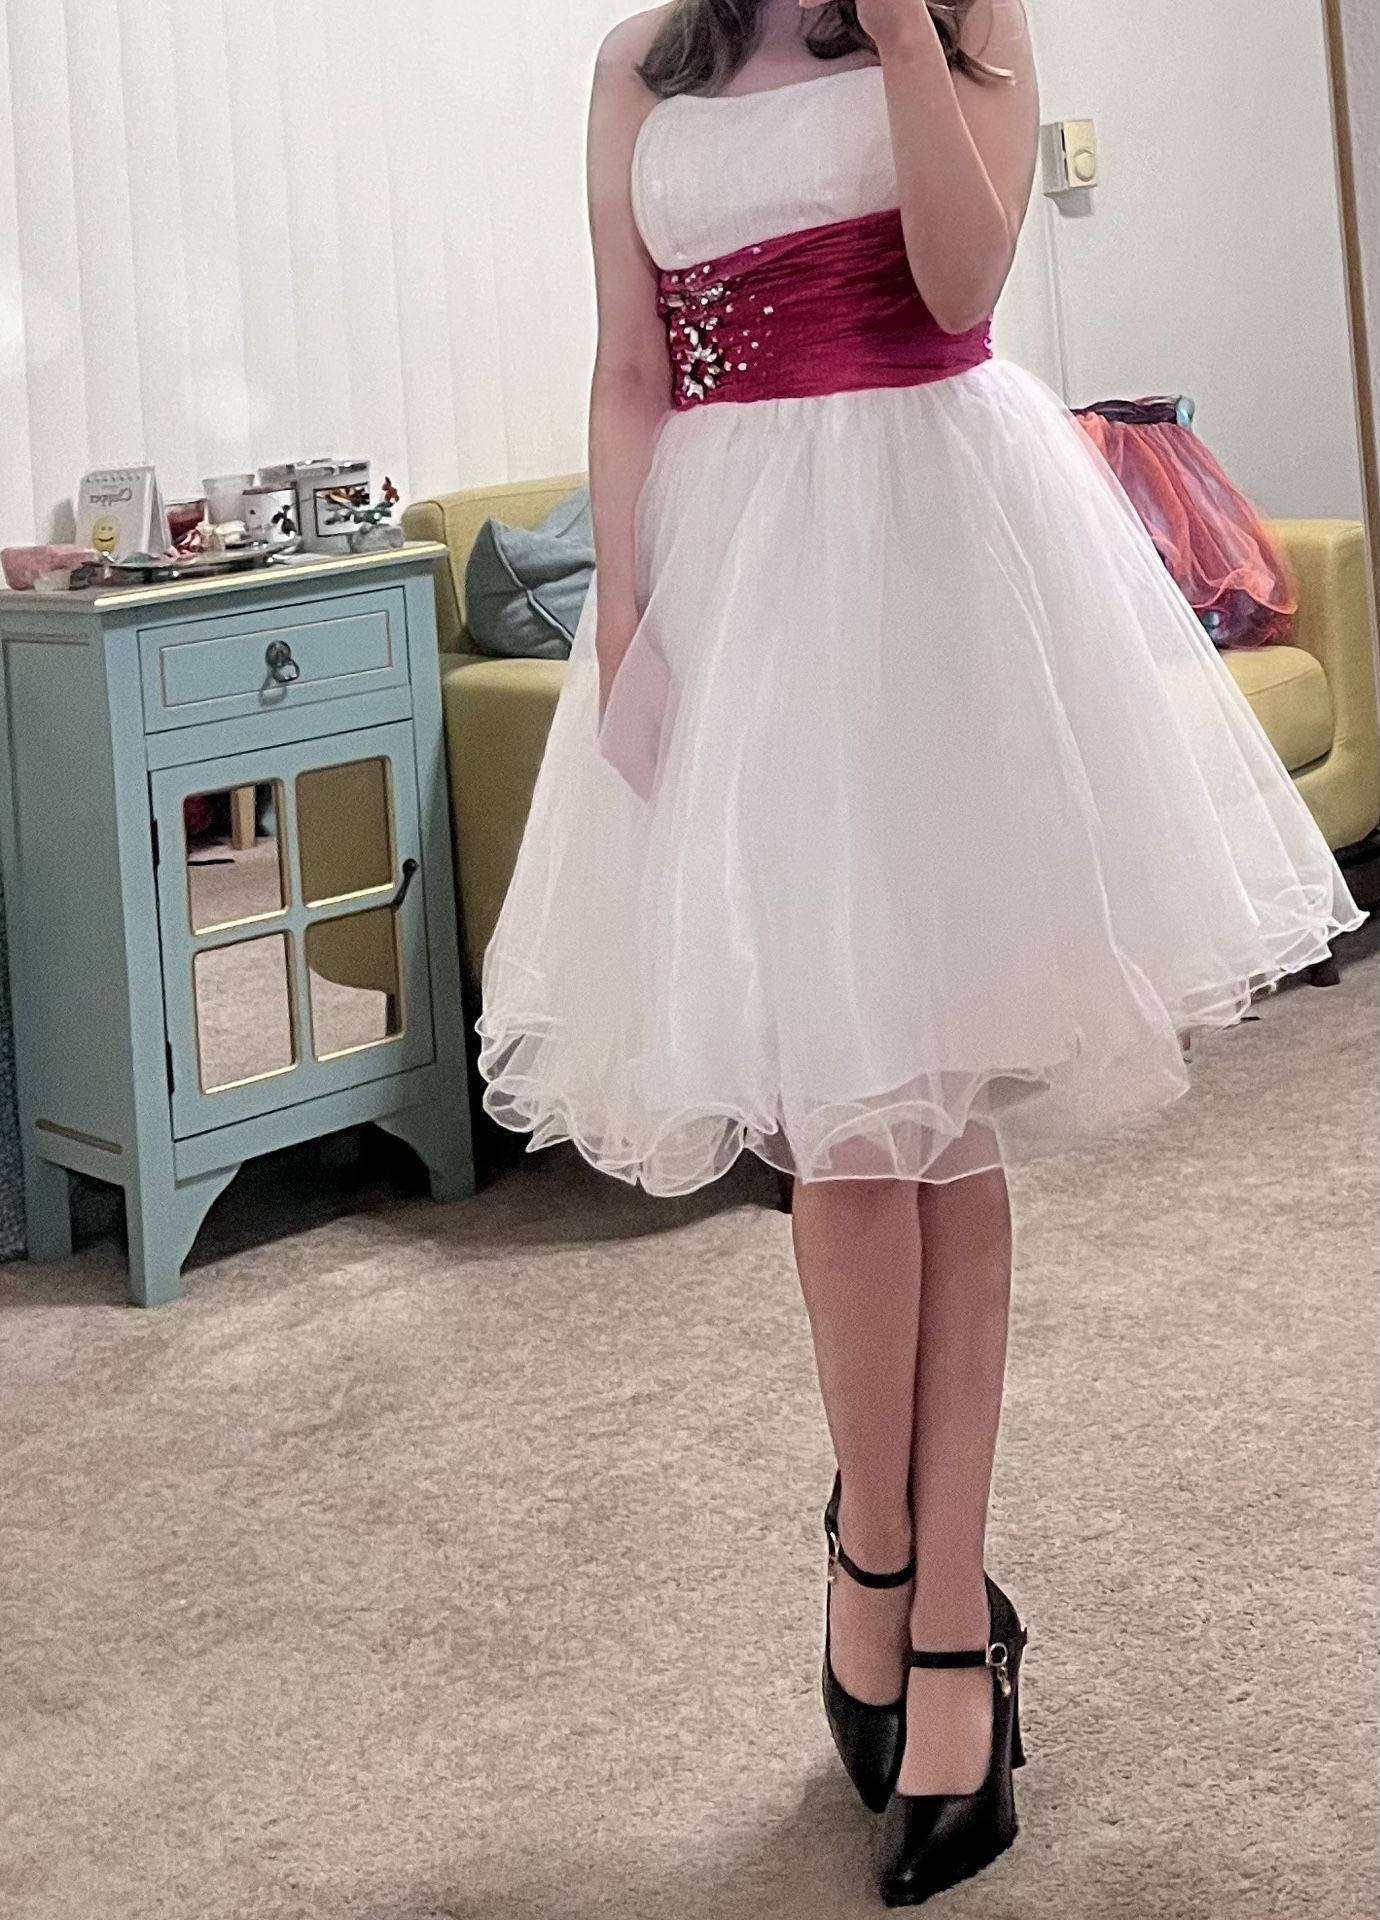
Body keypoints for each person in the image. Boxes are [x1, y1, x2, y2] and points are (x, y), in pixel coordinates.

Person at [477, 0, 1364, 1904]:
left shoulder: (965, 23)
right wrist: (624, 614)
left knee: (926, 1107)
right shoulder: (645, 60)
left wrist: (900, 37)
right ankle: (887, 1556)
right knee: (851, 1125)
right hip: (734, 575)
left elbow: (965, 287)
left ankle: (929, 1602)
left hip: (937, 547)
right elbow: (629, 364)